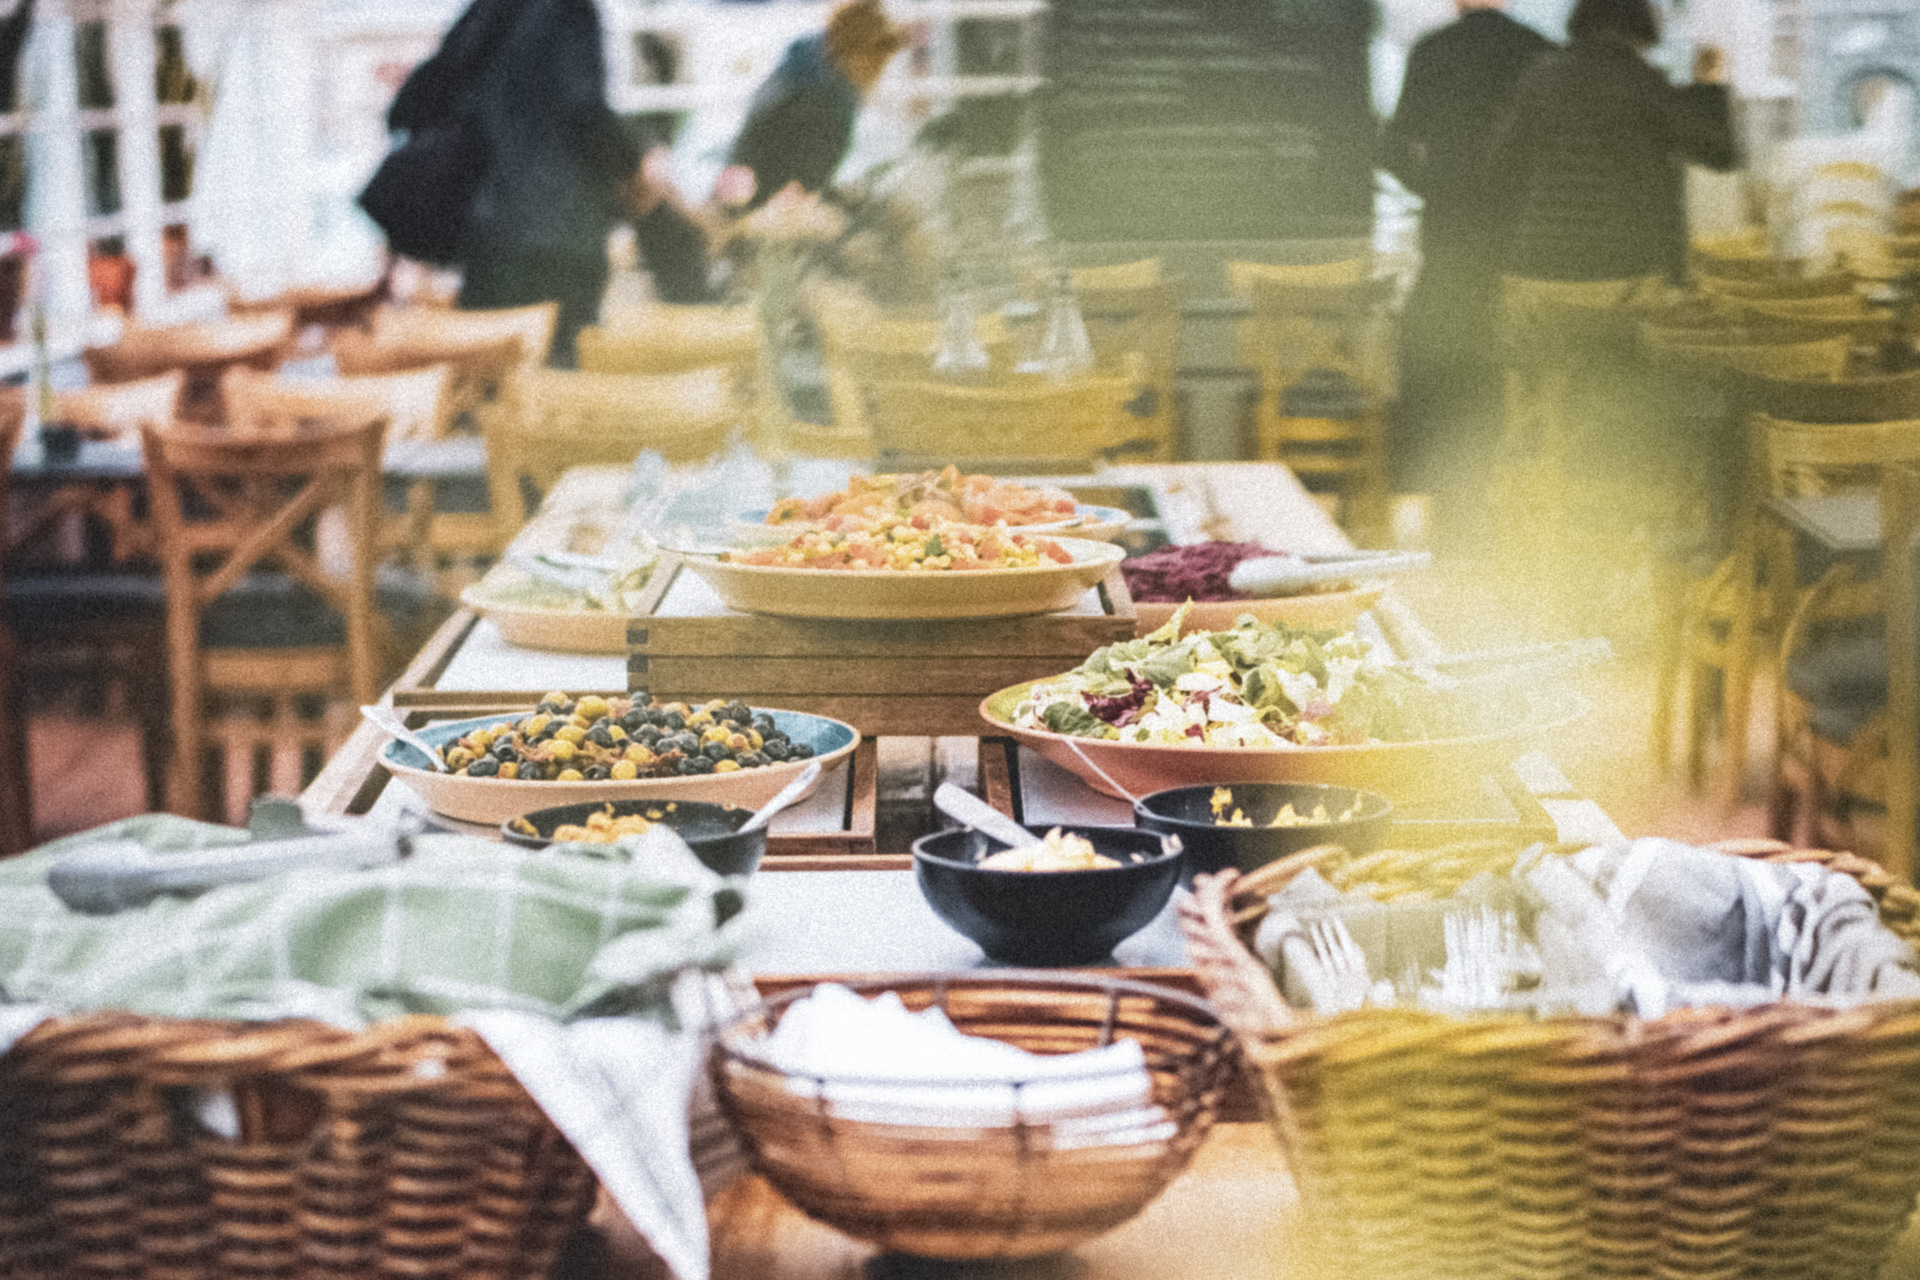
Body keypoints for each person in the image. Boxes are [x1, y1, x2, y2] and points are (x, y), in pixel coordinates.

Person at [390, 0, 639, 366]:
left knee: (488, 380)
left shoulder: (485, 13)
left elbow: (414, 107)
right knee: (556, 384)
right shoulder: (569, 10)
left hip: (487, 236)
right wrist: (636, 162)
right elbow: (584, 109)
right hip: (560, 232)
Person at [1381, 0, 1552, 516]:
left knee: (1438, 354)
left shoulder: (1434, 50)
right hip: (1517, 237)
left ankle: (1439, 492)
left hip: (1449, 232)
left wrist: (1435, 187)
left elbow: (1392, 146)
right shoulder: (1539, 53)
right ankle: (1501, 494)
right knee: (1500, 363)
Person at [630, 0, 907, 302]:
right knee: (872, 231)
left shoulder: (804, 62)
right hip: (767, 209)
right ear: (865, 54)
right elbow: (807, 181)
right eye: (881, 57)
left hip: (742, 198)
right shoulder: (832, 98)